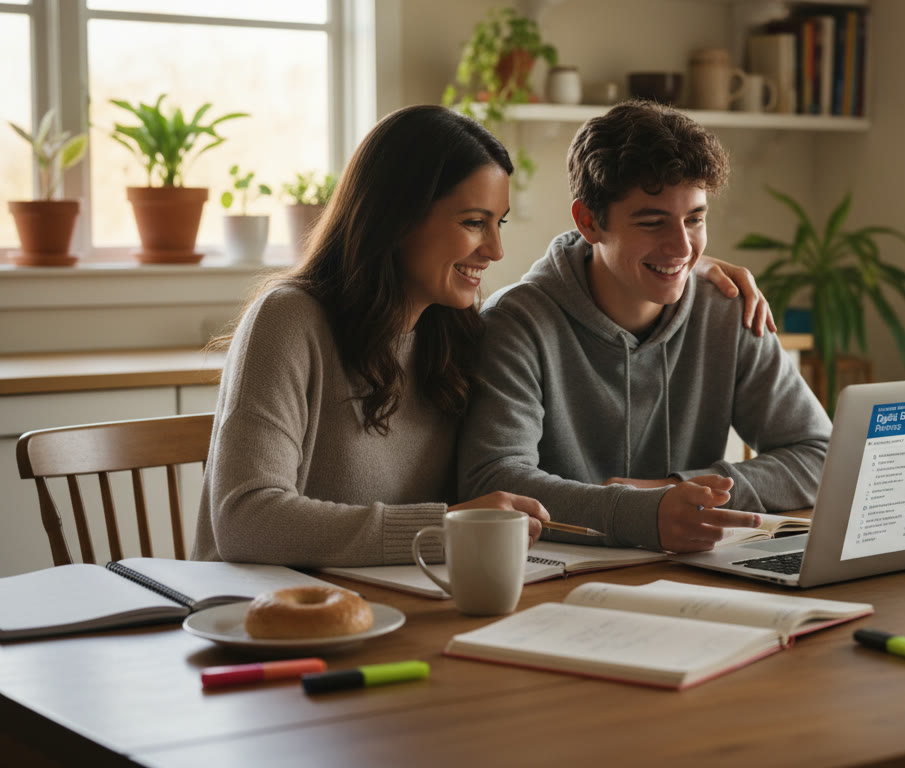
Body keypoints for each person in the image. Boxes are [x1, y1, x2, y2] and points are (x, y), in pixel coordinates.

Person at [193, 104, 774, 567]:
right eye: (473, 223)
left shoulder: (456, 334)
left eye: (497, 224)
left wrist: (688, 265)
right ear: (395, 218)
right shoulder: (288, 320)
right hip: (262, 626)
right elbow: (247, 518)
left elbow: (598, 259)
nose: (494, 251)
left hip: (401, 609)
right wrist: (448, 528)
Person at [458, 100, 832, 555]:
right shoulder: (517, 323)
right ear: (588, 221)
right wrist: (640, 513)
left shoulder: (728, 310)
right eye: (653, 222)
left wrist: (678, 489)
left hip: (696, 574)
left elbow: (820, 452)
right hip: (560, 582)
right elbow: (494, 478)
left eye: (695, 219)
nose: (682, 246)